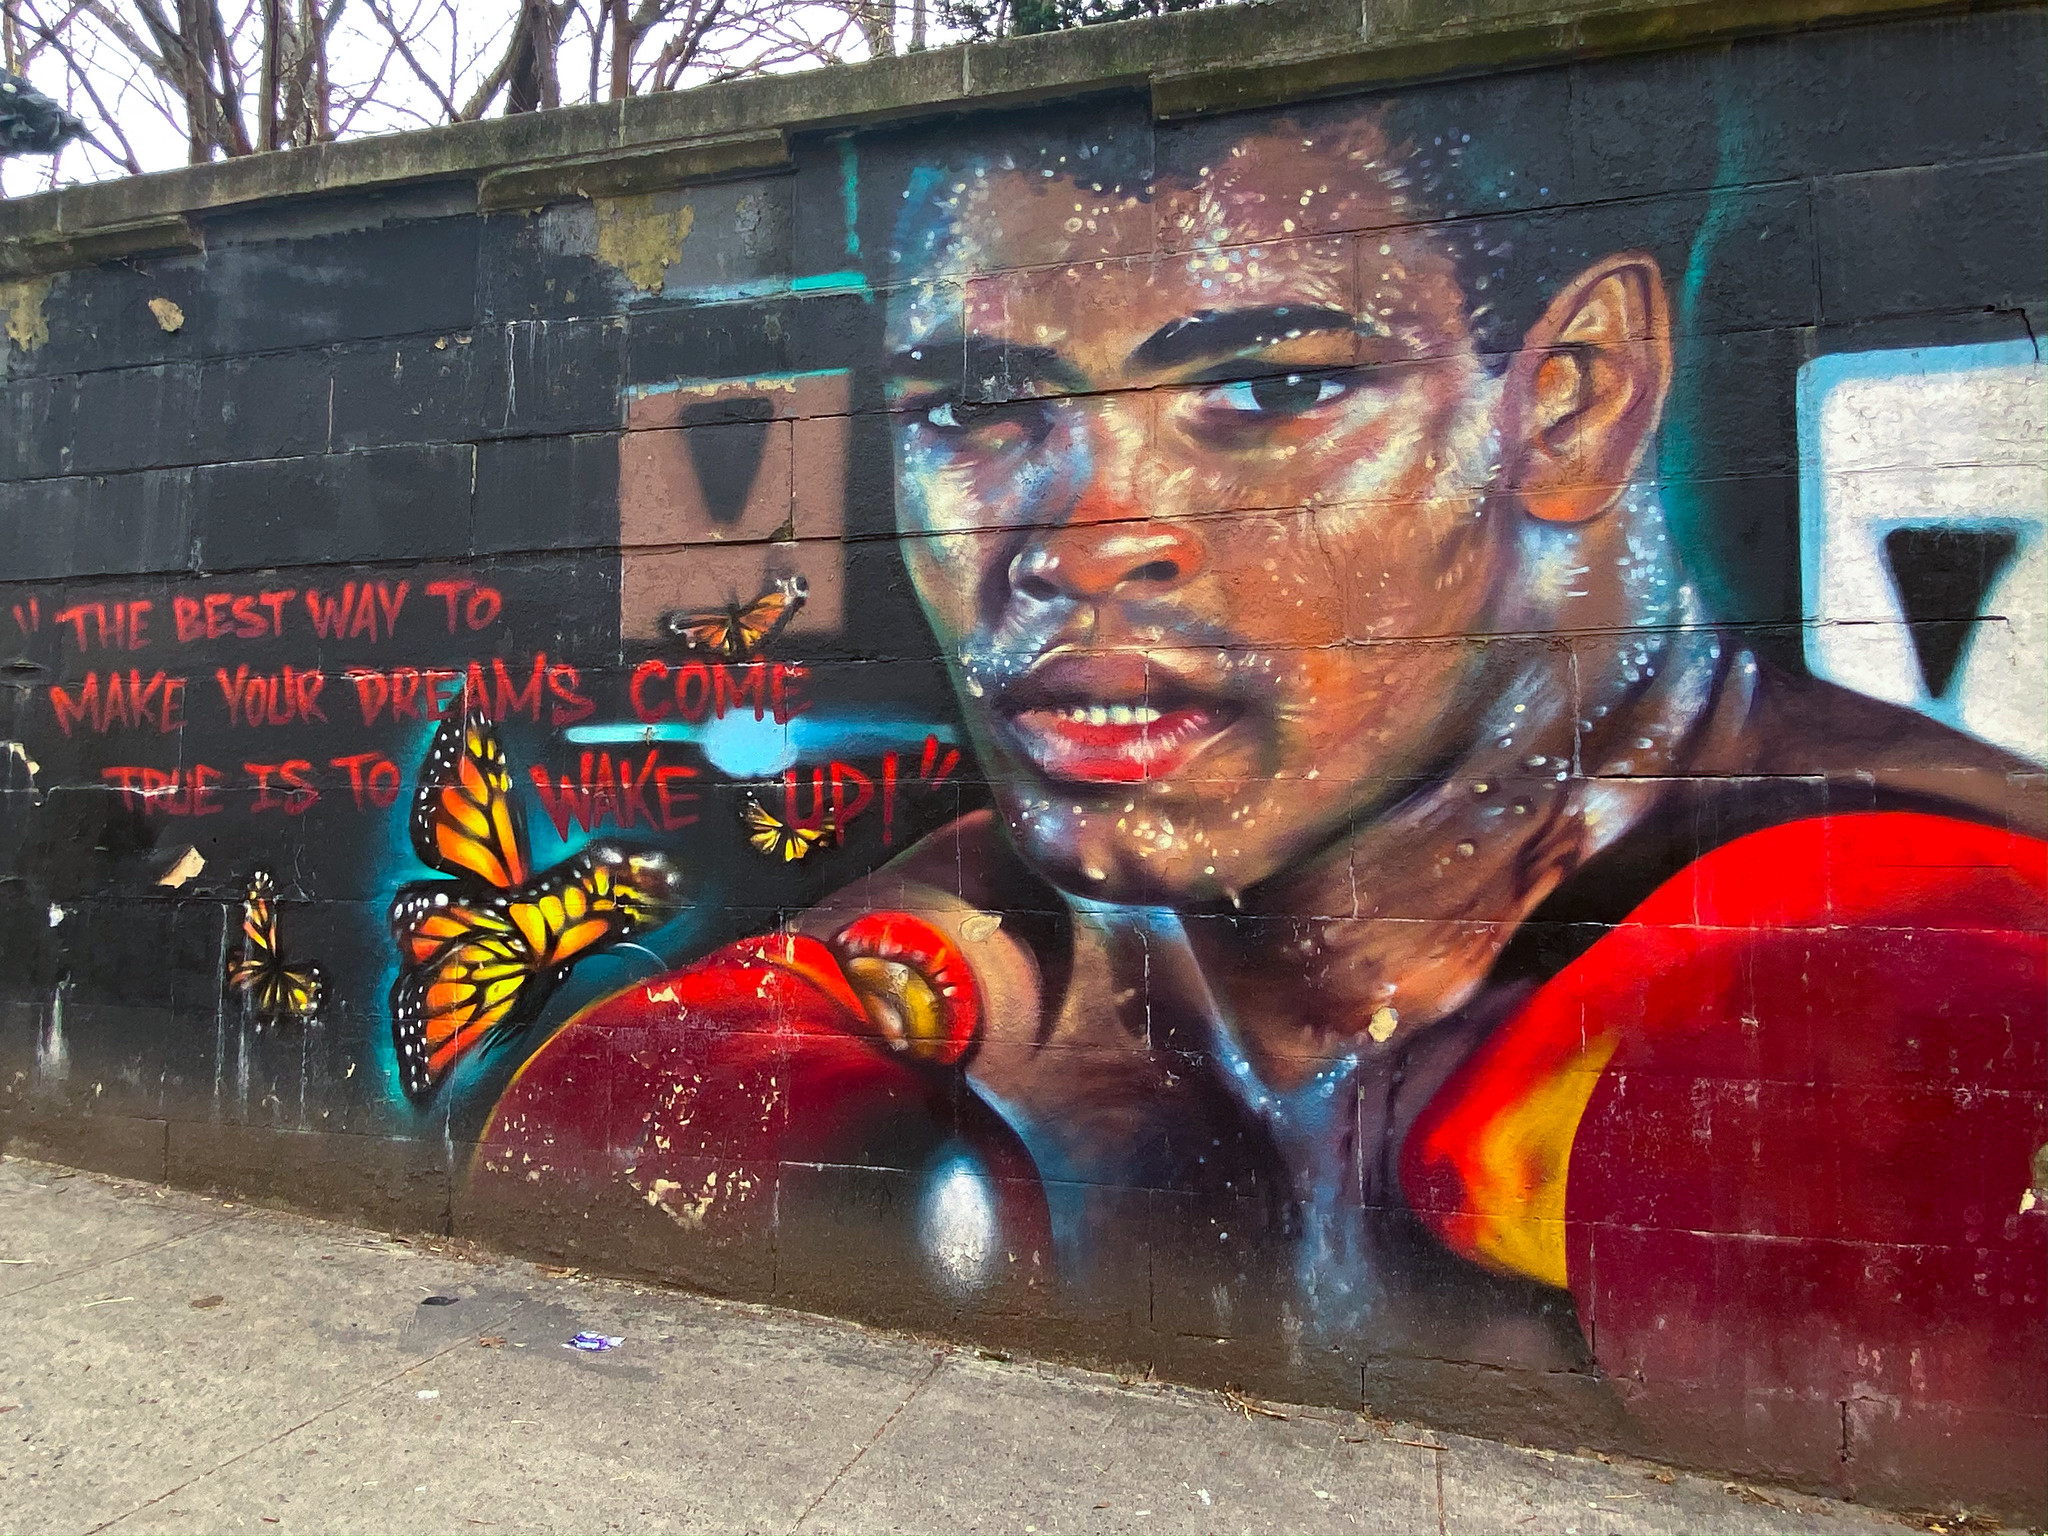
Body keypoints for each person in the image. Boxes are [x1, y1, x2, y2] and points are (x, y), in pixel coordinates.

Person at [472, 111, 2045, 1489]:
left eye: (1270, 385)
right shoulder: (975, 959)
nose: (1081, 540)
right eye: (970, 412)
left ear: (1572, 398)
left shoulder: (1932, 919)